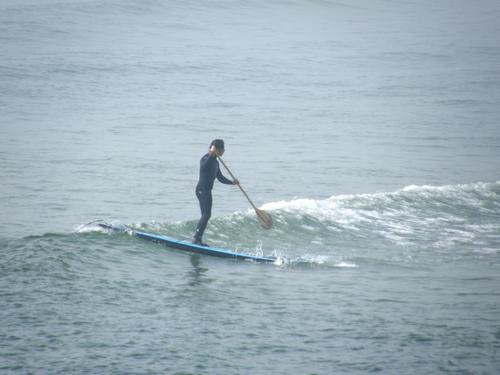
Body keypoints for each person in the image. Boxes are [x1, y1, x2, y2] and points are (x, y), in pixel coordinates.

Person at [193, 139, 239, 246]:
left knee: (206, 215)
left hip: (207, 190)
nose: (224, 151)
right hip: (201, 190)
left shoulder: (216, 163)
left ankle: (198, 239)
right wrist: (211, 153)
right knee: (206, 215)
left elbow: (220, 178)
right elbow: (204, 166)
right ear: (217, 149)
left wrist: (232, 182)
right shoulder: (205, 158)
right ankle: (196, 239)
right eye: (223, 149)